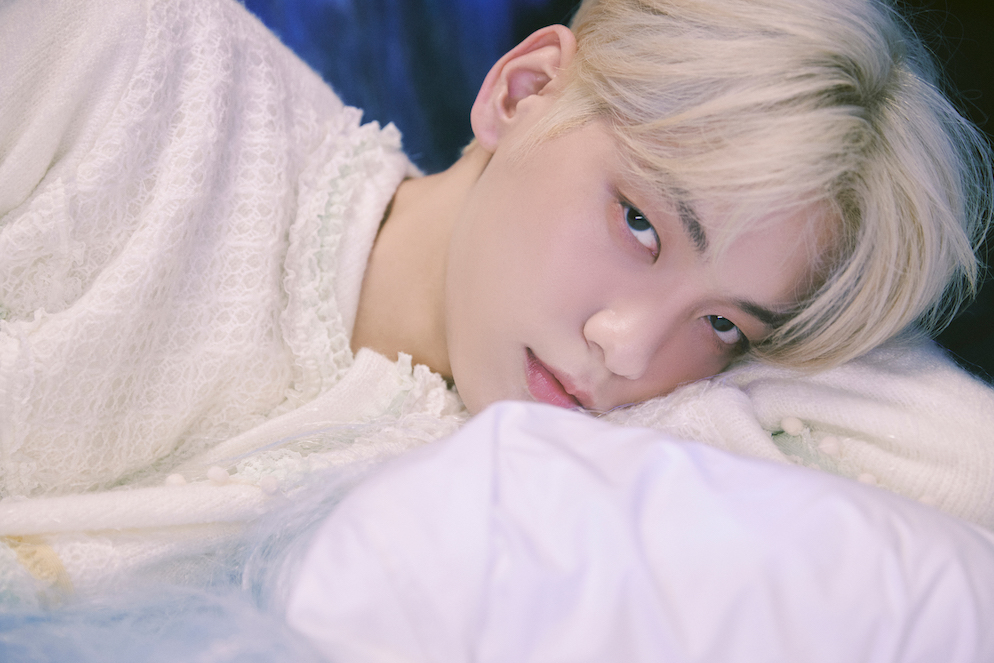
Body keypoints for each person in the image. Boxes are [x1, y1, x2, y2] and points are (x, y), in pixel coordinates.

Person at [0, 0, 991, 577]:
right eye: (639, 223)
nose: (628, 350)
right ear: (523, 93)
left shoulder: (554, 489)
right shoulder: (135, 67)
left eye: (724, 322)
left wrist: (793, 352)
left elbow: (961, 487)